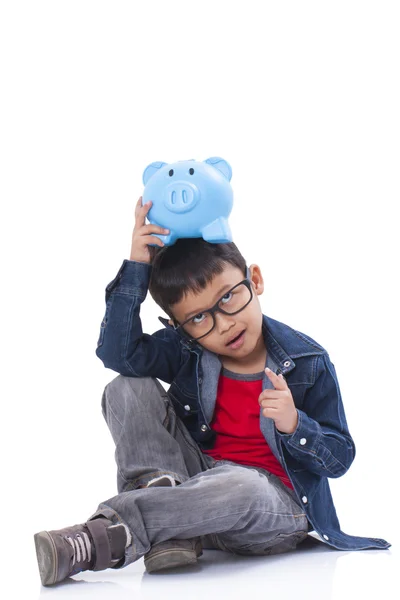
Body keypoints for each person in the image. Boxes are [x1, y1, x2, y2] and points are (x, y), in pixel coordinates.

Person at [34, 196, 391, 586]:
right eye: (199, 317)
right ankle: (170, 516)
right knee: (127, 385)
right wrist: (137, 266)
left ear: (254, 280)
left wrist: (295, 425)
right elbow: (119, 354)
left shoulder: (307, 361)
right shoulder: (189, 348)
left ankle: (103, 536)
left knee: (240, 483)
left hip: (270, 506)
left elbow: (339, 461)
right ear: (179, 326)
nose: (222, 325)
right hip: (195, 484)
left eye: (228, 298)